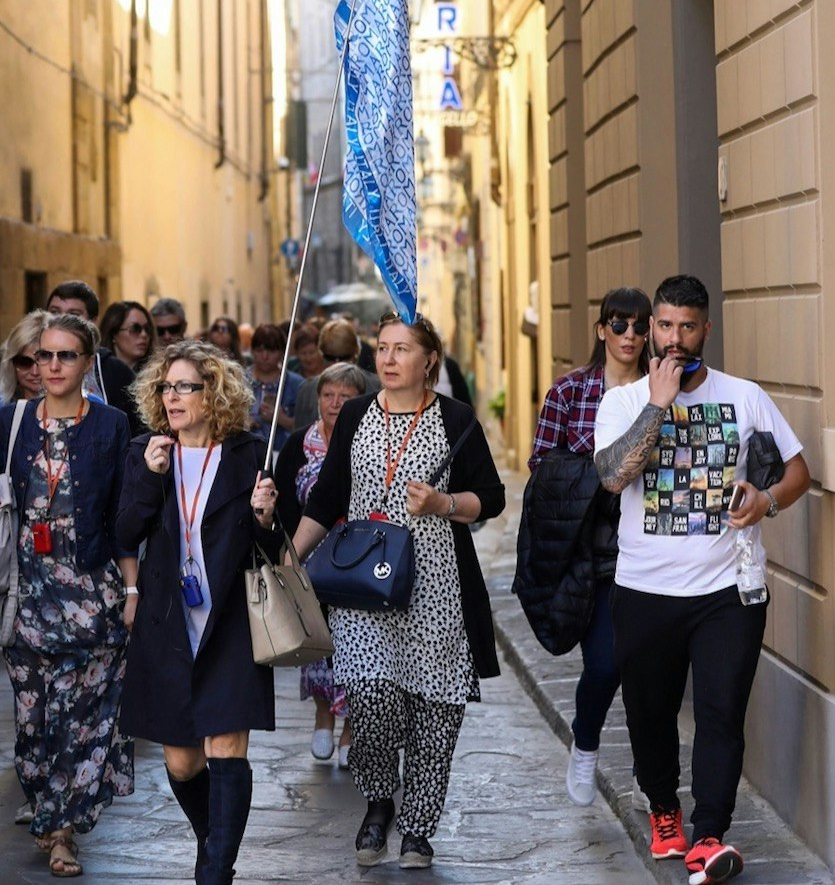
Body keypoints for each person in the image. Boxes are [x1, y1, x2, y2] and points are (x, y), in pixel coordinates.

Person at [591, 275, 810, 884]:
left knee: (720, 713)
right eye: (664, 325)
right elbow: (613, 478)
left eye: (687, 326)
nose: (674, 338)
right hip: (645, 590)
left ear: (705, 329)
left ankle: (709, 834)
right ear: (651, 329)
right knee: (650, 713)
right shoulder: (623, 403)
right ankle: (665, 809)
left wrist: (765, 500)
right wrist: (659, 404)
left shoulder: (745, 397)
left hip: (727, 593)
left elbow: (797, 472)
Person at [291, 315, 506, 871]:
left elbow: (492, 496)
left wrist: (444, 504)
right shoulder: (358, 414)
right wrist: (292, 560)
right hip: (362, 588)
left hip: (436, 588)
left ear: (429, 359)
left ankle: (418, 830)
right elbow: (328, 496)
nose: (387, 359)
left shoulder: (455, 419)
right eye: (382, 348)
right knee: (372, 697)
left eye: (401, 349)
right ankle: (380, 801)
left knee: (436, 711)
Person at [116, 340, 282, 885]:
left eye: (185, 386)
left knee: (226, 749)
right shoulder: (147, 451)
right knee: (183, 763)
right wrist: (147, 476)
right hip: (169, 625)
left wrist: (265, 518)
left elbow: (277, 548)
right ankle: (212, 838)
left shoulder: (249, 455)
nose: (172, 397)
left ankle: (215, 872)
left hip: (230, 622)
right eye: (166, 387)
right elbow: (123, 532)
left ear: (214, 395)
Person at [0, 312, 137, 877]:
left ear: (87, 362)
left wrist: (133, 589)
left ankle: (62, 830)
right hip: (28, 594)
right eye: (43, 356)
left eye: (65, 355)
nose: (51, 366)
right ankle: (48, 808)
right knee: (33, 721)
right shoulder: (12, 420)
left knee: (85, 718)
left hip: (93, 592)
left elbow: (123, 516)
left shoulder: (111, 425)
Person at [525, 288, 652, 807]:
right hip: (590, 550)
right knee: (603, 665)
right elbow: (540, 467)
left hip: (650, 549)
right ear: (601, 330)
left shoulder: (659, 391)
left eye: (639, 327)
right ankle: (587, 741)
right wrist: (600, 477)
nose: (629, 336)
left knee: (647, 671)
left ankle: (654, 780)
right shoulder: (570, 392)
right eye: (618, 326)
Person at [272, 362, 367, 770]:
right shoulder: (297, 444)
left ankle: (350, 727)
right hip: (308, 560)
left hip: (355, 562)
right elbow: (281, 503)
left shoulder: (365, 440)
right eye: (329, 394)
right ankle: (322, 714)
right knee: (315, 642)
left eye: (345, 396)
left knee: (356, 645)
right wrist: (287, 550)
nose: (335, 402)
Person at [49, 280, 144, 433]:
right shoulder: (28, 364)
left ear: (92, 322)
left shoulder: (117, 373)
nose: (62, 320)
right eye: (54, 312)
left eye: (73, 315)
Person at [0, 310, 53, 455]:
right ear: (11, 363)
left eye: (43, 359)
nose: (35, 371)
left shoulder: (90, 407)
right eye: (24, 362)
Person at [292, 319, 373, 430]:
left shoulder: (306, 389)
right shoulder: (377, 386)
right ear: (356, 351)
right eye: (328, 395)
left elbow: (300, 437)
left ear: (321, 352)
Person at [244, 323, 303, 453]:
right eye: (259, 350)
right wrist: (242, 423)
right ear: (252, 351)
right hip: (246, 453)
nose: (265, 356)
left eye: (271, 351)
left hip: (284, 453)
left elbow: (308, 429)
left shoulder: (297, 384)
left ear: (282, 352)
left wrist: (282, 419)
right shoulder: (238, 383)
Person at [99, 299, 156, 371]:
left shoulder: (157, 374)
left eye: (147, 329)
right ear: (114, 334)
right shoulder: (97, 373)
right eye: (135, 329)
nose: (144, 334)